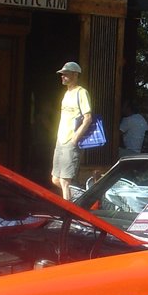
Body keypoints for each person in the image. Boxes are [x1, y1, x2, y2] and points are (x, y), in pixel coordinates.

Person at [51, 61, 93, 200]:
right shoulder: (66, 93)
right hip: (61, 139)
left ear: (75, 75)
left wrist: (76, 137)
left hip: (70, 140)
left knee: (65, 181)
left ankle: (67, 211)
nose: (62, 76)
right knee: (55, 179)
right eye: (62, 74)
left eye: (65, 74)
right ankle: (82, 197)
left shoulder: (81, 92)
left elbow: (88, 118)